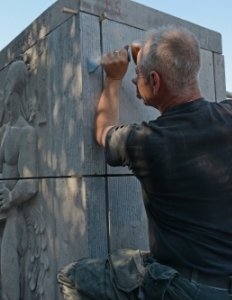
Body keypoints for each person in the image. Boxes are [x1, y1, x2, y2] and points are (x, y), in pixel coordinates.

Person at [57, 26, 232, 299]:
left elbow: (104, 132)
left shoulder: (147, 142)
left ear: (155, 81)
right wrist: (150, 56)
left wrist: (113, 79)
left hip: (185, 288)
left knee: (72, 277)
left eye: (136, 75)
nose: (132, 81)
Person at [0, 60, 38, 300]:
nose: (3, 92)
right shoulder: (6, 132)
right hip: (0, 220)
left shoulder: (26, 133)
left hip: (14, 220)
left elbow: (31, 182)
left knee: (10, 288)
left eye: (6, 86)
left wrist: (12, 196)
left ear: (14, 90)